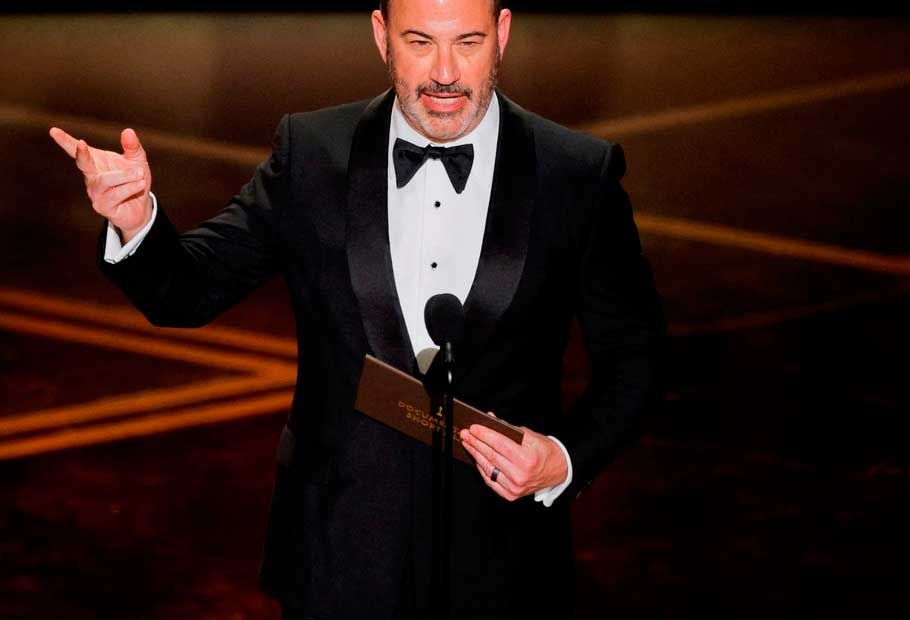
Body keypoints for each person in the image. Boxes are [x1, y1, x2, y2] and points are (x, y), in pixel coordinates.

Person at [49, 0, 665, 618]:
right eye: (419, 42)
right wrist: (135, 220)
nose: (445, 72)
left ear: (501, 35)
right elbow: (185, 291)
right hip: (338, 550)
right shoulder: (313, 152)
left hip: (506, 564)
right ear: (381, 36)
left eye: (468, 42)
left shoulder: (576, 174)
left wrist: (561, 459)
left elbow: (638, 363)